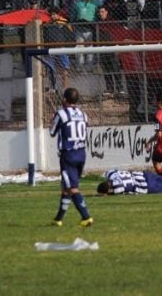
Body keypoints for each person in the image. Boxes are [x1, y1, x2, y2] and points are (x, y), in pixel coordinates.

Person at [49, 87, 93, 227]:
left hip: (68, 154)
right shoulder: (83, 114)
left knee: (72, 188)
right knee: (66, 187)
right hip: (81, 153)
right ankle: (58, 219)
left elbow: (52, 132)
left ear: (64, 99)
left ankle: (86, 216)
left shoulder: (61, 114)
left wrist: (54, 120)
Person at [96, 169, 162, 195]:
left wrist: (108, 193)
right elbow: (110, 171)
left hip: (145, 186)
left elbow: (116, 191)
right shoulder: (112, 175)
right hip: (144, 175)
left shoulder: (117, 188)